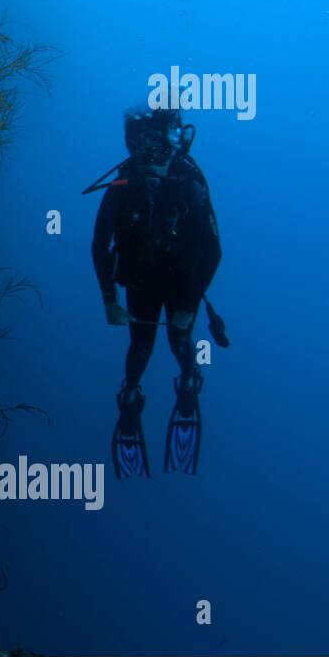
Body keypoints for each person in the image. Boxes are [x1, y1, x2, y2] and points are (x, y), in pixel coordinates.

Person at [87, 106, 222, 478]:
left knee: (179, 338)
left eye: (160, 151)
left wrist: (191, 303)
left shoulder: (190, 186)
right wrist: (109, 301)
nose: (153, 164)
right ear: (133, 149)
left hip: (182, 284)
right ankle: (131, 393)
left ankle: (189, 379)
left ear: (174, 149)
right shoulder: (120, 188)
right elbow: (99, 244)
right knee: (141, 343)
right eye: (144, 151)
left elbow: (213, 251)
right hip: (141, 282)